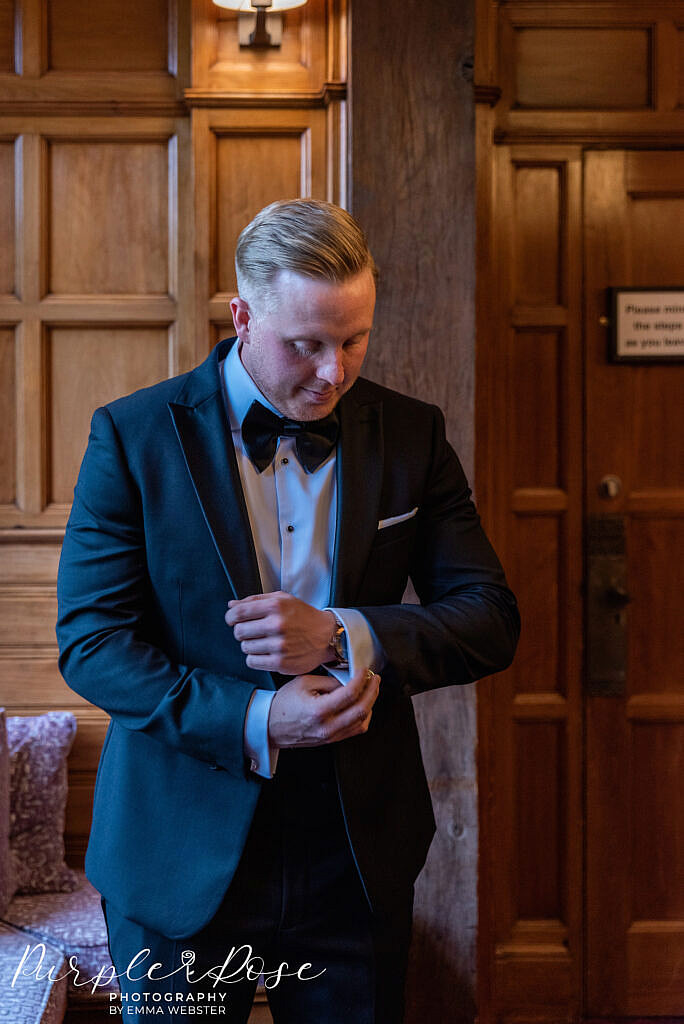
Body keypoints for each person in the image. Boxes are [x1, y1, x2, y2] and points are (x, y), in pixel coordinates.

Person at [56, 199, 519, 1023]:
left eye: (354, 340)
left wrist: (346, 632)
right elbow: (93, 644)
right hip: (177, 852)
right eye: (305, 344)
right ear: (241, 316)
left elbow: (489, 616)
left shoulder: (412, 434)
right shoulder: (132, 437)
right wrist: (261, 718)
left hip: (355, 854)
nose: (334, 372)